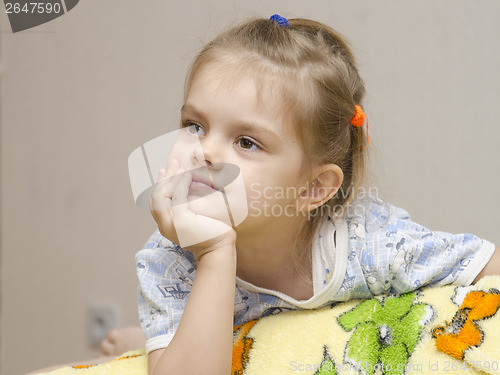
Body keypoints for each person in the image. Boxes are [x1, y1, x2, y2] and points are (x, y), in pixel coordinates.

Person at [135, 15, 499, 375]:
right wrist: (214, 254)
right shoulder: (171, 257)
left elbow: (487, 265)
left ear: (314, 188)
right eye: (194, 126)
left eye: (247, 142)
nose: (205, 151)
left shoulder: (369, 242)